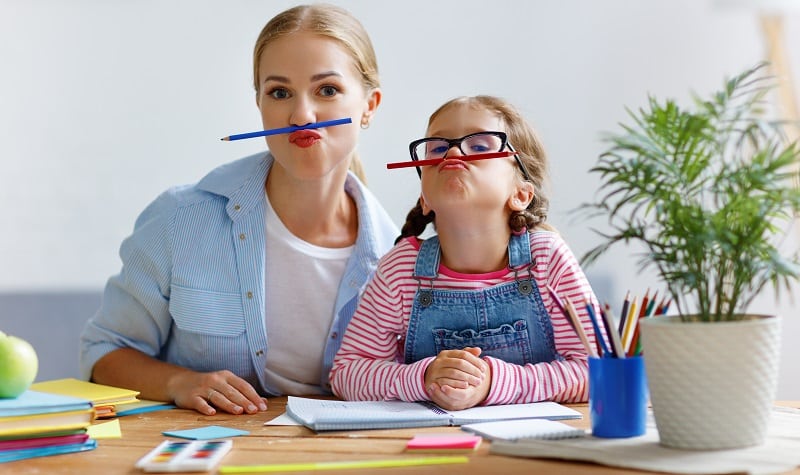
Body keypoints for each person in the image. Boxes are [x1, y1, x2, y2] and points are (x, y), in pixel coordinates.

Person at [79, 4, 398, 416]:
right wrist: (178, 382)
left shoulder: (399, 259)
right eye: (280, 92)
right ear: (260, 104)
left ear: (369, 105)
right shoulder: (180, 218)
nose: (301, 115)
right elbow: (104, 352)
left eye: (327, 90)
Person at [330, 95, 600, 411]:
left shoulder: (547, 260)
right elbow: (346, 373)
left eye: (481, 145)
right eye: (438, 148)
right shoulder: (401, 269)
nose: (455, 152)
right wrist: (423, 377)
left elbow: (598, 369)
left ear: (521, 194)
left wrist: (494, 382)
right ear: (424, 199)